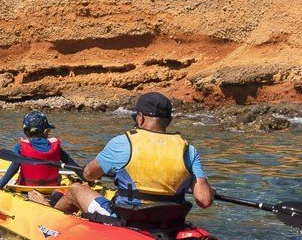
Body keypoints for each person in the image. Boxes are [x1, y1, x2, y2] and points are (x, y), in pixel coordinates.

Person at [50, 91, 214, 229]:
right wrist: (210, 191)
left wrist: (94, 174)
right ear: (169, 121)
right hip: (170, 221)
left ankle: (50, 218)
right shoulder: (188, 150)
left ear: (140, 118)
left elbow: (89, 174)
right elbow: (204, 200)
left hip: (127, 219)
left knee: (76, 189)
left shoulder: (123, 142)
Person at [0, 111, 79, 192]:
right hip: (51, 188)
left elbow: (14, 167)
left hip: (25, 188)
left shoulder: (20, 147)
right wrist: (87, 179)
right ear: (46, 131)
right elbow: (73, 165)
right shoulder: (56, 147)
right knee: (59, 176)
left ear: (25, 132)